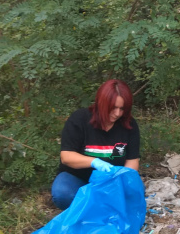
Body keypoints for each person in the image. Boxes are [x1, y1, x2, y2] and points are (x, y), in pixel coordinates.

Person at [51, 79, 141, 209]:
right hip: (78, 178)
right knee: (63, 194)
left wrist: (123, 178)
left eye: (122, 109)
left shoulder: (129, 125)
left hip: (111, 181)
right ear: (101, 103)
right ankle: (92, 208)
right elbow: (66, 156)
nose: (117, 114)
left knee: (133, 194)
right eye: (113, 108)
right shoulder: (79, 119)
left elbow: (132, 161)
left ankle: (96, 206)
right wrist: (94, 162)